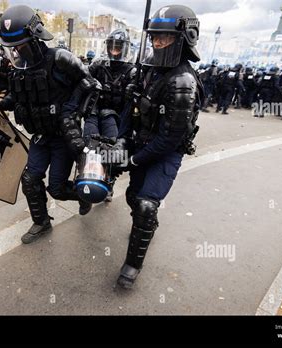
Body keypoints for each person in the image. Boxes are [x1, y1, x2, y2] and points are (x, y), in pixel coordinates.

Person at [0, 5, 97, 244]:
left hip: (62, 136)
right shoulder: (17, 69)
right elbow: (19, 97)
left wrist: (70, 112)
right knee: (30, 180)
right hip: (39, 136)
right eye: (11, 48)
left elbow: (89, 83)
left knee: (56, 188)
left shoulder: (59, 58)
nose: (15, 52)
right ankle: (41, 222)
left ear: (35, 39)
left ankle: (84, 195)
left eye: (20, 45)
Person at [112, 4, 203, 289]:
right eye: (155, 37)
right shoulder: (148, 69)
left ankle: (132, 265)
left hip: (164, 152)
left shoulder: (183, 81)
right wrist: (121, 140)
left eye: (165, 37)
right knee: (132, 196)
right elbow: (131, 108)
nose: (158, 43)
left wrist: (135, 160)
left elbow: (170, 139)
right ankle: (146, 224)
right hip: (141, 143)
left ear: (184, 37)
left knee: (146, 205)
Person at [85, 28, 136, 201]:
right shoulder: (98, 65)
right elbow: (82, 78)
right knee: (88, 144)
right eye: (112, 46)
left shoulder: (132, 72)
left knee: (112, 152)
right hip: (95, 111)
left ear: (125, 48)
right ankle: (85, 178)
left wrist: (134, 90)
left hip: (117, 117)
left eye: (119, 46)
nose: (115, 50)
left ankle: (110, 179)